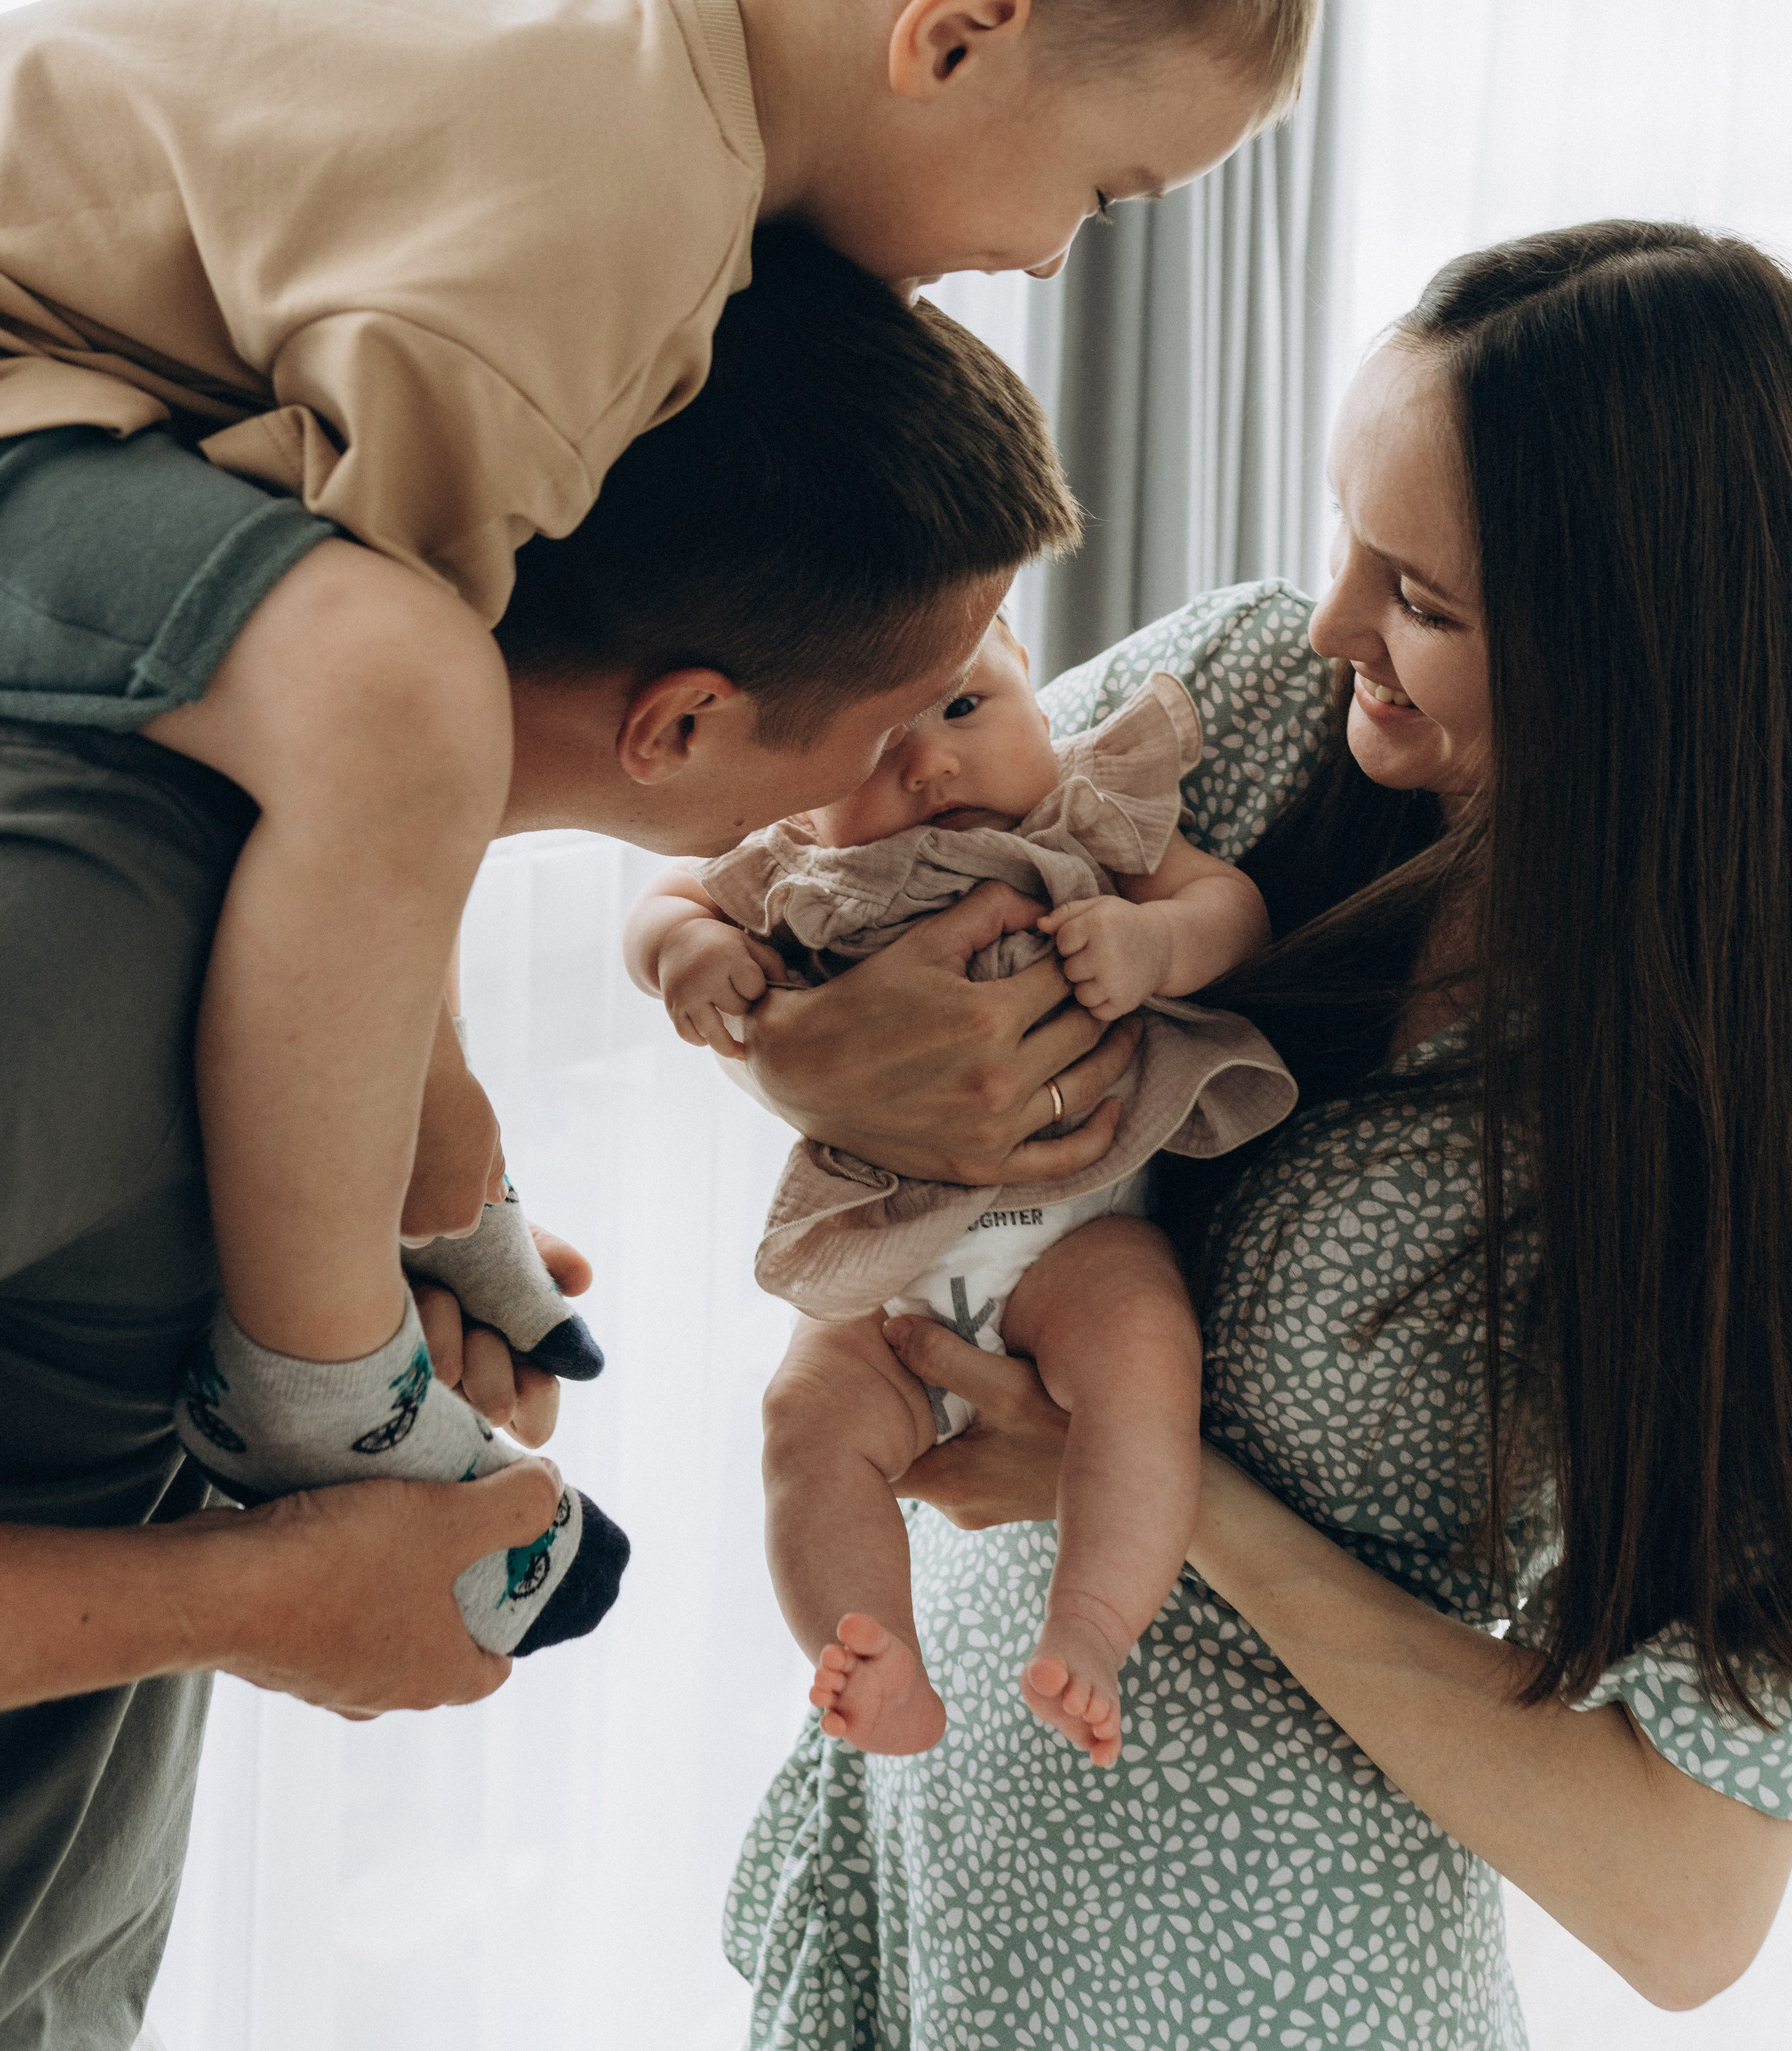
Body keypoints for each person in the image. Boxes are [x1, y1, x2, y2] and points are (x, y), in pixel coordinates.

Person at [0, 0, 1320, 1647]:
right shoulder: (586, 233)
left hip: (61, 401)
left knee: (387, 693)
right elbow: (400, 718)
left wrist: (444, 1156)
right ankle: (316, 1366)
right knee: (398, 691)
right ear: (959, 31)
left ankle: (369, 1265)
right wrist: (420, 1153)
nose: (1057, 256)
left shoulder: (623, 101)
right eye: (1101, 189)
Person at [0, 232, 1083, 2046]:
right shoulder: (89, 921)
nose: (937, 788)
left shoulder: (337, 899)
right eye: (904, 724)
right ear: (681, 729)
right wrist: (262, 1601)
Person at [724, 222, 1792, 2046]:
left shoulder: (1714, 1113)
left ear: (1640, 651)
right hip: (934, 1898)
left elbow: (1688, 1904)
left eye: (1428, 601)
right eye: (1346, 534)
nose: (1330, 623)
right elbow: (861, 879)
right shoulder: (1260, 707)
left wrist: (1142, 1496)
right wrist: (803, 1049)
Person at [628, 619, 1287, 1765]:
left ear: (1027, 670)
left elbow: (1233, 911)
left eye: (963, 708)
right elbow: (665, 898)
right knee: (805, 1423)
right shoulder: (798, 860)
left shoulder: (1089, 811)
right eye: (875, 745)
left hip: (1078, 1240)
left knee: (1142, 1351)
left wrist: (1151, 943)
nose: (928, 764)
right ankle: (878, 1655)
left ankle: (1090, 1620)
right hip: (886, 1267)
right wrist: (682, 952)